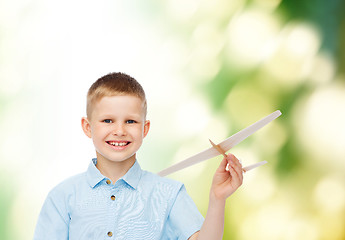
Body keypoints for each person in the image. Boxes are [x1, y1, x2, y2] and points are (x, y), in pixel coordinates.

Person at [33, 72, 243, 240]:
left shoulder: (169, 194)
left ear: (145, 128)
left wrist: (218, 199)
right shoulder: (62, 197)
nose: (119, 130)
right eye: (107, 120)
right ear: (87, 127)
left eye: (130, 121)